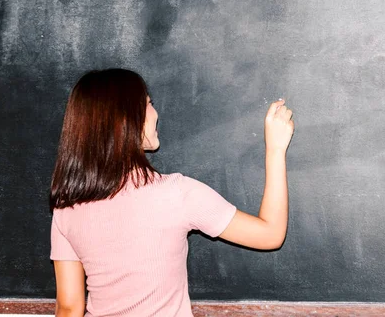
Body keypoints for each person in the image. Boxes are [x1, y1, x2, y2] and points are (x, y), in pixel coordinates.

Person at [49, 68, 294, 317]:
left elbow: (69, 306)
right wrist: (275, 149)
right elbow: (270, 234)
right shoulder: (177, 194)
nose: (155, 113)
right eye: (148, 103)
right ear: (127, 119)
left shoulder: (66, 207)